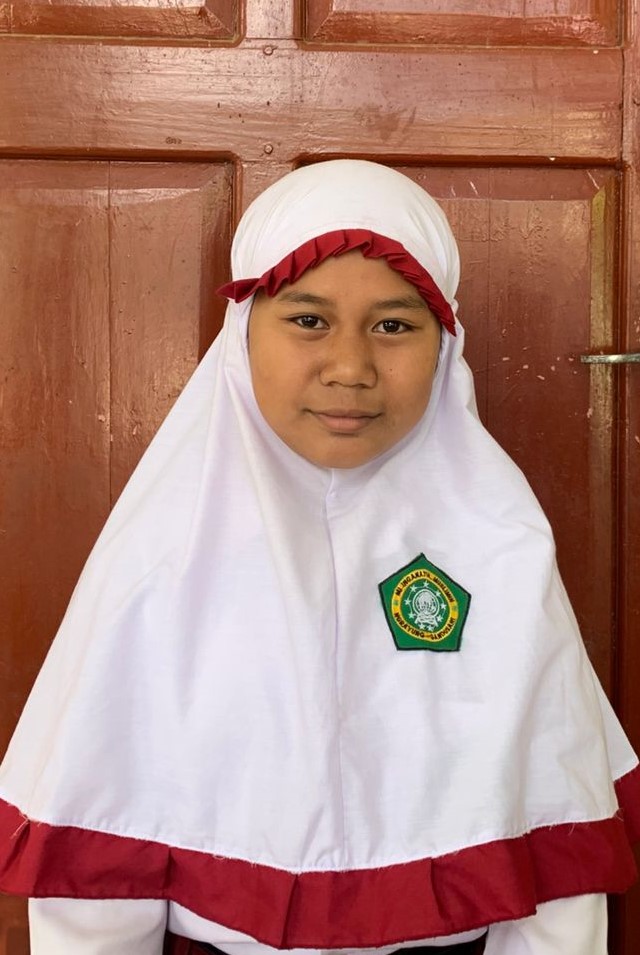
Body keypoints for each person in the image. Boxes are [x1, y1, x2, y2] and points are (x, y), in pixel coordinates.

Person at [0, 160, 638, 955]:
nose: (351, 369)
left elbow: (559, 864)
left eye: (394, 326)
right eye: (308, 320)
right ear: (242, 333)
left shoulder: (502, 549)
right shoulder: (159, 561)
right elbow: (93, 872)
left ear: (446, 345)